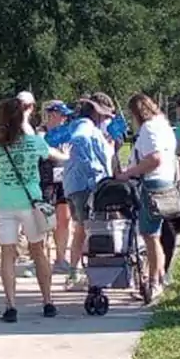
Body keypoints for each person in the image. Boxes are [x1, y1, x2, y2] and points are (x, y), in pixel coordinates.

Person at [0, 98, 66, 323]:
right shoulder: (35, 141)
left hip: (5, 203)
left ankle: (10, 305)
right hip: (31, 202)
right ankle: (47, 301)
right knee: (38, 251)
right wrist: (67, 154)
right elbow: (54, 155)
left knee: (8, 253)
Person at [116, 94, 178, 299]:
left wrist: (129, 173)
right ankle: (158, 277)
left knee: (149, 235)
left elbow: (154, 158)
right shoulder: (164, 126)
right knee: (155, 235)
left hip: (152, 183)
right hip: (167, 181)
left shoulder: (149, 128)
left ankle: (153, 281)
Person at [62, 97, 115, 288]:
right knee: (91, 230)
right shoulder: (85, 126)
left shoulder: (84, 126)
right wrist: (93, 172)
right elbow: (81, 141)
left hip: (76, 185)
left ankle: (75, 272)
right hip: (86, 186)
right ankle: (90, 272)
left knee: (81, 229)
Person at [39, 100, 74, 273]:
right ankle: (41, 258)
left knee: (64, 219)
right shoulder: (40, 133)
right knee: (45, 221)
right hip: (45, 181)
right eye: (62, 114)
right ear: (52, 114)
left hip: (64, 180)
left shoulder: (68, 133)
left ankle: (60, 259)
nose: (65, 118)